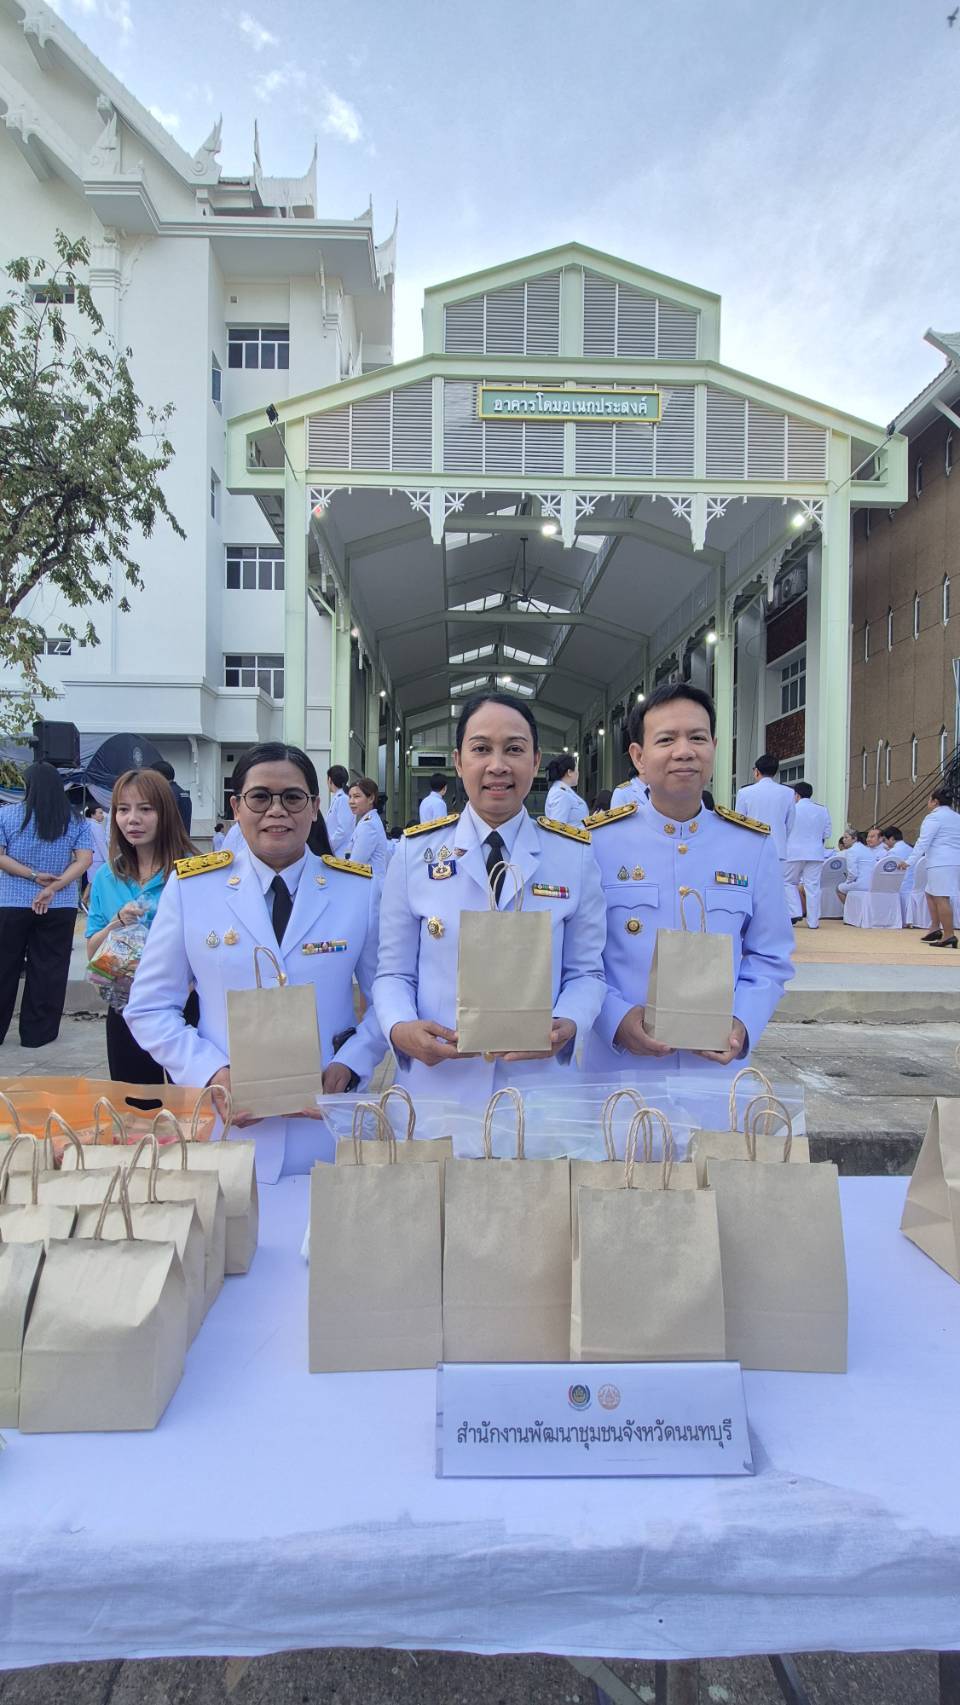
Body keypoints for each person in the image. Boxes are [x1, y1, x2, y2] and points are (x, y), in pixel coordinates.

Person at [126, 742, 386, 1181]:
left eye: (293, 798)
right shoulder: (194, 888)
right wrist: (210, 1071)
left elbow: (389, 996)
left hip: (327, 1127)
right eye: (260, 797)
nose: (276, 811)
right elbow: (150, 1007)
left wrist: (352, 1063)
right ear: (237, 805)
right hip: (225, 1129)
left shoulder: (356, 891)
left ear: (315, 806)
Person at [374, 691, 606, 1104]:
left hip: (540, 1095)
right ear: (459, 761)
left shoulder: (573, 855)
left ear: (535, 762)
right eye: (481, 749)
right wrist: (400, 1028)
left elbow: (586, 972)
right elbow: (393, 973)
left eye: (514, 749)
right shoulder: (414, 854)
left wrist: (569, 1022)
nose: (497, 765)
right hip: (440, 1091)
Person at [582, 683, 794, 1079]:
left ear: (713, 748)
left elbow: (769, 954)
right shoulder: (595, 844)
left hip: (713, 1071)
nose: (684, 751)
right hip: (618, 1072)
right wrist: (615, 1019)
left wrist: (742, 1023)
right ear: (639, 757)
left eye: (697, 738)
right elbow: (577, 958)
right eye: (666, 739)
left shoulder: (751, 845)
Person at [86, 768, 196, 1085]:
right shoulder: (108, 876)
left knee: (194, 1107)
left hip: (186, 1007)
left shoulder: (193, 873)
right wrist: (116, 923)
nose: (132, 819)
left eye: (145, 809)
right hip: (126, 1005)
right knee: (134, 1107)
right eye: (123, 809)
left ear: (165, 813)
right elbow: (93, 950)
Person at [0, 763, 93, 1047]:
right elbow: (84, 860)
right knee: (49, 968)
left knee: (4, 967)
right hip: (59, 904)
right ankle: (38, 1034)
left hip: (11, 902)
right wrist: (54, 886)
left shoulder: (6, 814)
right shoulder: (76, 821)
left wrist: (32, 876)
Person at [902, 789, 960, 947]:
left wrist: (909, 862)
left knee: (942, 898)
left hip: (940, 861)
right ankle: (935, 927)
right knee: (929, 892)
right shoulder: (956, 817)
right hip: (954, 861)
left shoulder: (933, 817)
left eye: (929, 799)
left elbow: (923, 842)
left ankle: (948, 935)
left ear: (935, 801)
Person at [783, 782, 832, 928]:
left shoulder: (792, 809)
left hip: (793, 852)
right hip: (815, 852)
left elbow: (785, 830)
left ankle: (795, 911)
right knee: (813, 887)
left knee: (788, 882)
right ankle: (813, 922)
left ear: (796, 795)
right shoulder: (822, 810)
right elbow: (827, 833)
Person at [734, 755, 796, 862]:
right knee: (775, 878)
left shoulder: (744, 792)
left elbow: (739, 823)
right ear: (775, 772)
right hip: (778, 848)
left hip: (751, 847)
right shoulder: (788, 792)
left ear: (757, 771)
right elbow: (790, 824)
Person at [346, 777, 389, 877]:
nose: (351, 801)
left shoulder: (368, 825)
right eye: (350, 797)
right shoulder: (368, 821)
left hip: (369, 887)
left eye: (356, 796)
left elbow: (355, 864)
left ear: (371, 798)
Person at [544, 754, 589, 827]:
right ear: (569, 772)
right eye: (577, 769)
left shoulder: (563, 792)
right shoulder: (560, 794)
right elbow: (557, 830)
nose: (578, 773)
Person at [838, 827, 884, 898]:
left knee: (839, 889)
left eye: (846, 837)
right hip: (873, 883)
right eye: (843, 837)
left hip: (861, 884)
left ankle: (848, 908)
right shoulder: (865, 848)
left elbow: (853, 874)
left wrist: (846, 882)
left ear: (854, 838)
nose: (844, 840)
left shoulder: (852, 851)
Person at [150, 759, 192, 833]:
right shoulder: (182, 792)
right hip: (182, 840)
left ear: (159, 776)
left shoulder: (166, 794)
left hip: (168, 842)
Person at [325, 765, 353, 856]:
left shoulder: (343, 799)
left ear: (330, 780)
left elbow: (343, 829)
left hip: (339, 853)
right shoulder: (338, 798)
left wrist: (328, 847)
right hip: (336, 852)